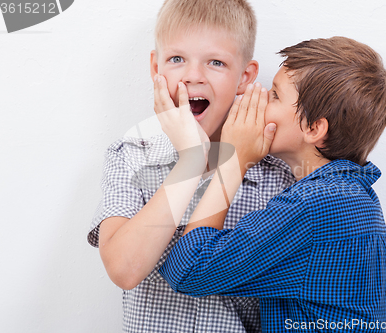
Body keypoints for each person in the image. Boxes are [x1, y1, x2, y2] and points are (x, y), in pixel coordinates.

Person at [159, 37, 386, 332]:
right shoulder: (357, 198)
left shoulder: (316, 205)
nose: (259, 97)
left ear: (314, 128)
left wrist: (234, 161)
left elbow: (188, 269)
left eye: (275, 95)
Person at [87, 0, 295, 332]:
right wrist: (191, 161)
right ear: (156, 68)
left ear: (245, 77)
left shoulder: (278, 174)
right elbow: (124, 270)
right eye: (176, 59)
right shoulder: (131, 155)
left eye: (216, 62)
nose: (193, 75)